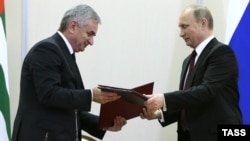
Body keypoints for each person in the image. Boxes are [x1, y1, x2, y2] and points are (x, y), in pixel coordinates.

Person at [12, 4, 127, 141]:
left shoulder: (67, 54)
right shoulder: (46, 49)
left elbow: (73, 110)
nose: (91, 42)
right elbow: (49, 94)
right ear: (73, 26)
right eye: (90, 33)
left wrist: (104, 124)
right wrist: (91, 95)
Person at [140, 4, 242, 141]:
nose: (181, 33)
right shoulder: (188, 61)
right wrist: (158, 114)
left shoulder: (222, 53)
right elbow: (188, 102)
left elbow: (206, 91)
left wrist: (163, 99)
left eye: (185, 26)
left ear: (203, 23)